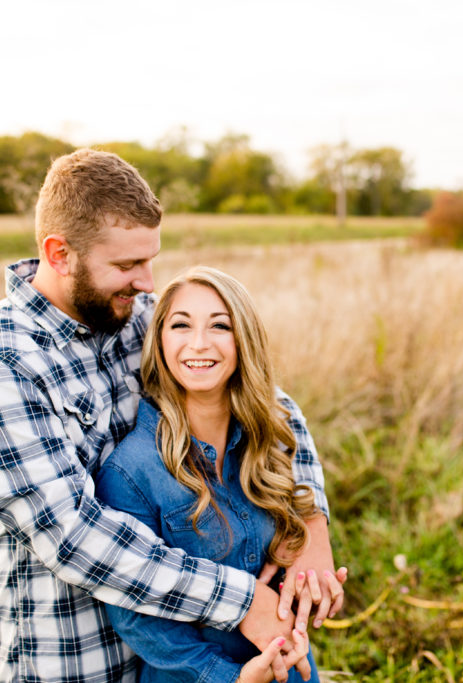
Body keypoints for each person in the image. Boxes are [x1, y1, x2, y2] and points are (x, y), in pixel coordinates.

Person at [0, 148, 343, 683]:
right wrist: (243, 601)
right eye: (127, 265)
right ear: (59, 254)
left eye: (150, 259)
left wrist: (310, 527)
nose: (148, 281)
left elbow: (269, 404)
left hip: (178, 659)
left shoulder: (138, 318)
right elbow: (74, 539)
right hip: (71, 662)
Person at [95, 266, 339, 682]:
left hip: (293, 670)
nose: (199, 344)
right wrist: (230, 676)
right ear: (159, 341)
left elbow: (294, 536)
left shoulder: (269, 436)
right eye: (181, 325)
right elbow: (135, 618)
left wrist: (311, 584)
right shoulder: (131, 469)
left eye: (220, 326)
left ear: (243, 340)